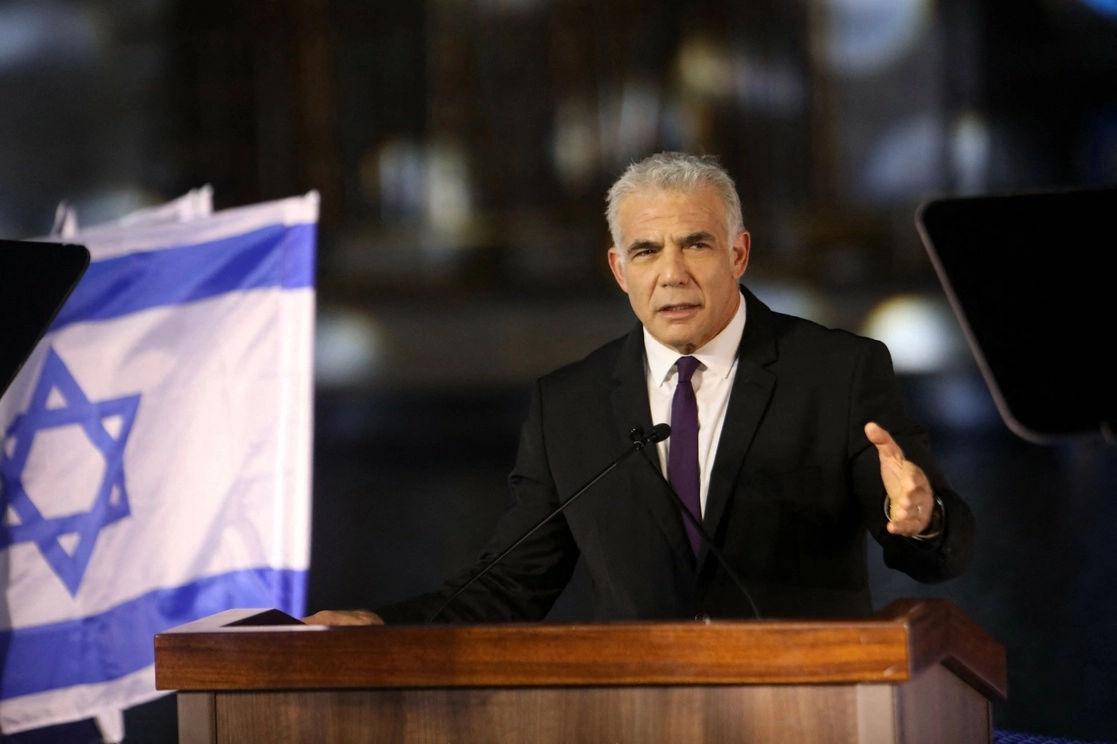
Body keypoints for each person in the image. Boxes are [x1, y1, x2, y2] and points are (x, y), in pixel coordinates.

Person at [305, 152, 973, 626]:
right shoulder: (568, 404)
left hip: (806, 712)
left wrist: (922, 519)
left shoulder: (835, 372)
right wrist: (380, 625)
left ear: (738, 254)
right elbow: (510, 585)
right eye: (647, 251)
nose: (672, 274)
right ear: (618, 269)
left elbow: (941, 548)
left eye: (696, 245)